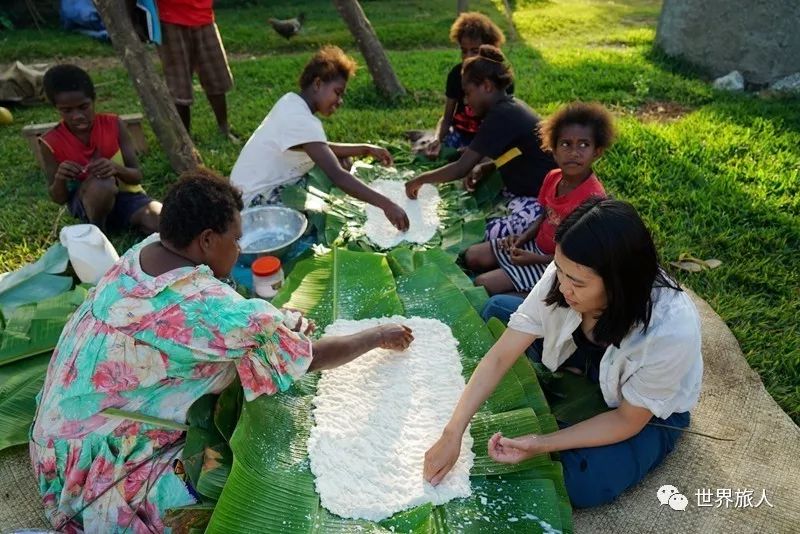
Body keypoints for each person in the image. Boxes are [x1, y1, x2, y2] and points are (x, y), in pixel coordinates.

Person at [30, 170, 414, 533]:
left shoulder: (144, 252)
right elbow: (306, 357)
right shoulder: (210, 309)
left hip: (54, 443)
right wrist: (377, 335)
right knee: (237, 493)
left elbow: (212, 324)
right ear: (208, 240)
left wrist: (269, 324)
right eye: (236, 237)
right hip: (90, 476)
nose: (240, 246)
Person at [423, 198, 703, 508]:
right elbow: (502, 355)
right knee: (497, 311)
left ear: (618, 284)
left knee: (582, 482)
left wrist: (539, 444)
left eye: (577, 283)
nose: (565, 288)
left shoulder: (670, 330)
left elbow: (627, 419)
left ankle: (583, 384)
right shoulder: (565, 277)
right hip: (586, 353)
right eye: (560, 271)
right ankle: (579, 370)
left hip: (642, 408)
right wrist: (454, 431)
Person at [231, 45, 409, 231]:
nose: (340, 101)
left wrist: (365, 149)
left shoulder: (291, 102)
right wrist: (387, 205)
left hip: (242, 195)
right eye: (337, 92)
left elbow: (320, 148)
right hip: (254, 205)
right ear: (318, 84)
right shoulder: (301, 120)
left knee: (337, 165)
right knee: (320, 220)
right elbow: (337, 175)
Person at [405, 45, 555, 240]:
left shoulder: (502, 115)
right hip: (527, 192)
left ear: (486, 86)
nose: (466, 102)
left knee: (474, 235)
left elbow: (461, 168)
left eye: (468, 93)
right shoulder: (509, 106)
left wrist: (419, 180)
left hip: (541, 203)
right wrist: (487, 168)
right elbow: (519, 153)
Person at [464, 102, 614, 295]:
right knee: (473, 256)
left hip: (558, 264)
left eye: (583, 144)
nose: (574, 152)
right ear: (553, 148)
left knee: (482, 284)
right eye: (565, 144)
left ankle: (534, 295)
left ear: (597, 151)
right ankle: (517, 279)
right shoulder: (553, 177)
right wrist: (522, 237)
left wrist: (534, 259)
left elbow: (580, 259)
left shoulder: (592, 199)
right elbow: (544, 215)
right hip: (535, 245)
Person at [40, 64, 161, 234]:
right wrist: (60, 178)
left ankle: (124, 222)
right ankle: (98, 230)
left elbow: (137, 177)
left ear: (93, 100)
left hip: (127, 197)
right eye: (66, 110)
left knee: (163, 220)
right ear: (56, 108)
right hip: (87, 203)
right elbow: (58, 198)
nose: (77, 116)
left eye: (83, 107)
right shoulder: (50, 141)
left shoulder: (114, 124)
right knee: (102, 183)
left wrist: (116, 168)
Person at [424, 12, 512, 159]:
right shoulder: (456, 75)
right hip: (460, 134)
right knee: (441, 156)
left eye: (475, 51)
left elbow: (501, 125)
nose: (468, 57)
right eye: (464, 51)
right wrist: (437, 139)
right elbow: (447, 118)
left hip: (487, 137)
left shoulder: (500, 78)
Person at [156, 0, 237, 141]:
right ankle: (184, 138)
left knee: (215, 74)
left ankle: (224, 128)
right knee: (179, 83)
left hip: (203, 16)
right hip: (170, 18)